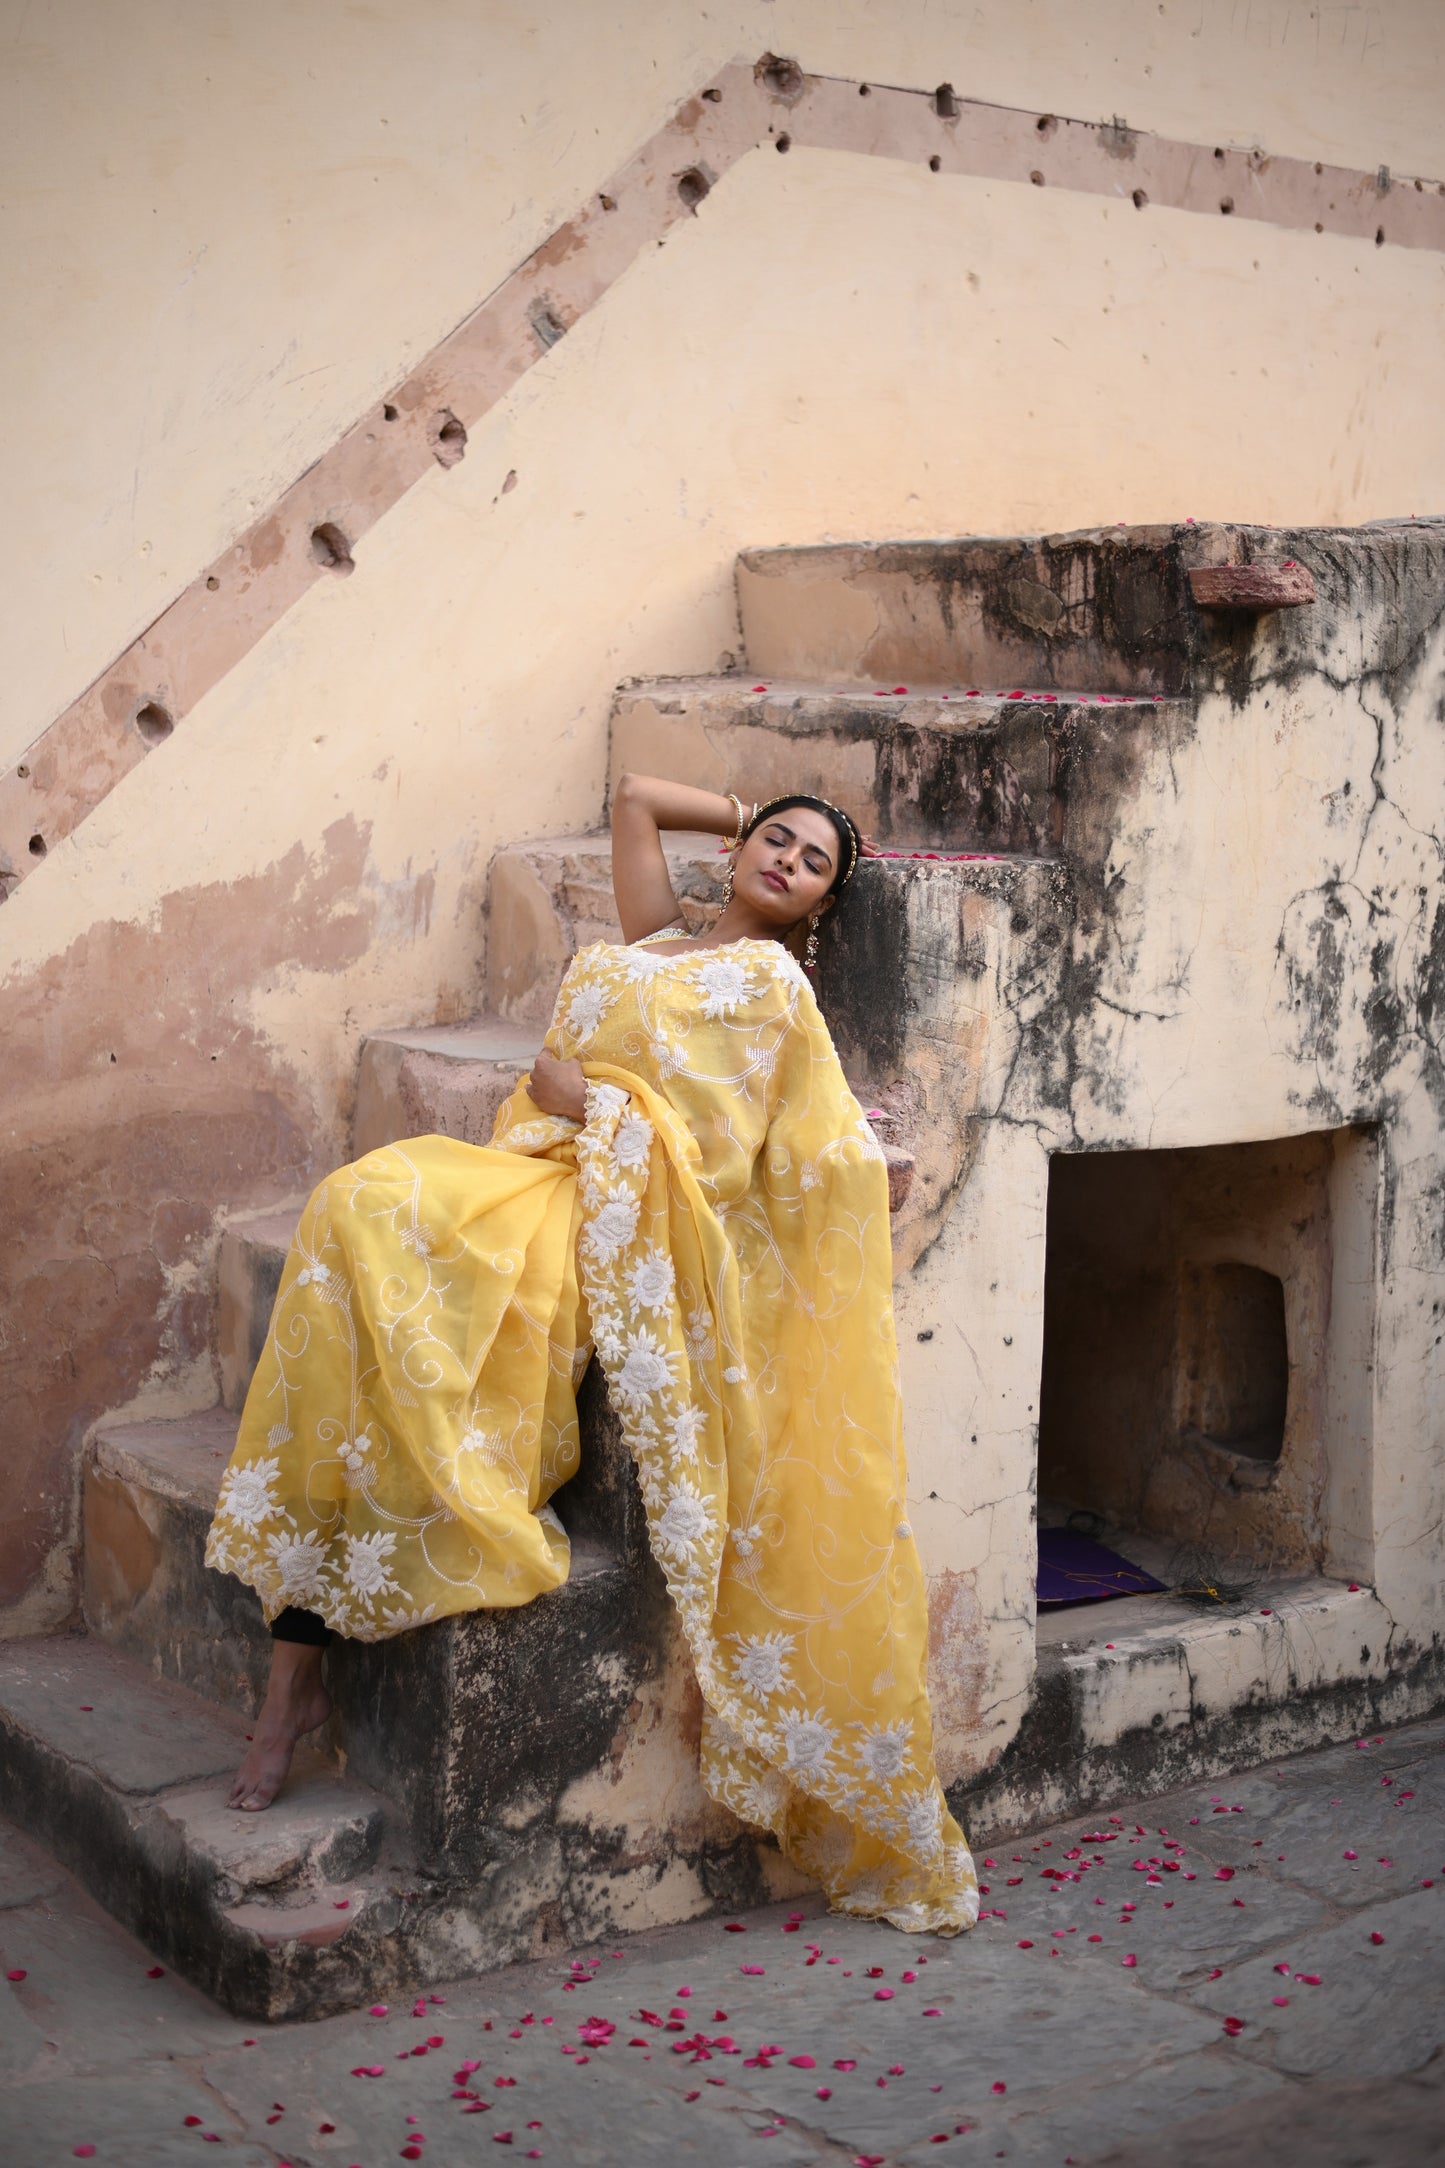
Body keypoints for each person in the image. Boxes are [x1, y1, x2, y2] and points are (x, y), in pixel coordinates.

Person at [205, 775, 979, 1933]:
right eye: (776, 837)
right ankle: (296, 1660)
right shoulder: (655, 936)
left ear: (820, 903)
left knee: (390, 1260)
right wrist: (744, 809)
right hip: (532, 1168)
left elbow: (724, 1158)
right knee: (355, 1205)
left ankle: (290, 1684)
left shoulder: (771, 986)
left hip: (613, 1216)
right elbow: (633, 798)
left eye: (812, 861)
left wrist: (599, 1109)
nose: (783, 860)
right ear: (737, 848)